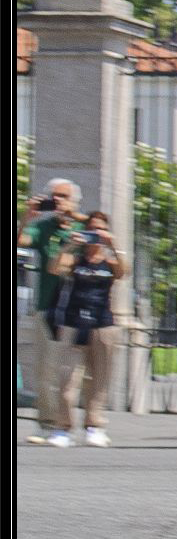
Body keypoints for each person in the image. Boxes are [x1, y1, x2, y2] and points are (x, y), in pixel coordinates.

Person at [45, 212, 128, 448]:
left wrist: (114, 245)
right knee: (67, 378)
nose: (95, 233)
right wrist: (71, 245)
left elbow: (123, 273)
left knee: (100, 379)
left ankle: (95, 425)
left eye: (99, 229)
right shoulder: (75, 260)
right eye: (91, 228)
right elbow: (54, 268)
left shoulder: (109, 262)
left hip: (102, 323)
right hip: (73, 322)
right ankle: (63, 427)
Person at [19, 178, 81, 445]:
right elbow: (19, 241)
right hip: (47, 306)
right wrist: (27, 217)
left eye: (64, 196)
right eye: (54, 196)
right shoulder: (42, 226)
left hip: (77, 310)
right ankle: (46, 423)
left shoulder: (84, 227)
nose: (58, 200)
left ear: (75, 200)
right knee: (44, 370)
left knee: (69, 373)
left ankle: (71, 425)